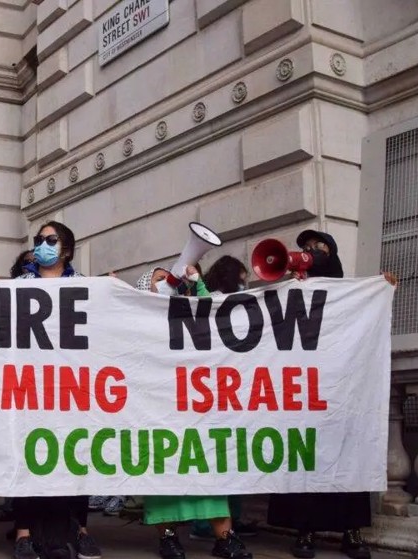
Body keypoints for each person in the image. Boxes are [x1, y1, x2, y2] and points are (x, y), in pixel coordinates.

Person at [137, 265, 253, 559]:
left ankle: (225, 537)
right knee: (163, 473)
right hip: (159, 408)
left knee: (210, 469)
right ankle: (167, 537)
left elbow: (213, 312)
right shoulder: (138, 318)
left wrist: (197, 284)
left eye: (171, 279)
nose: (168, 283)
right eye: (160, 279)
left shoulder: (192, 308)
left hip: (198, 408)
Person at [268, 229, 370, 559]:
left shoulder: (349, 294)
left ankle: (351, 531)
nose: (311, 251)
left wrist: (382, 288)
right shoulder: (293, 292)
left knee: (348, 459)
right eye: (307, 248)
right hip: (305, 393)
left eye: (318, 247)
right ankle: (305, 531)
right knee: (305, 461)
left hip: (341, 390)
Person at [12, 221, 102, 559]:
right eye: (38, 240)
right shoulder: (20, 285)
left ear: (65, 248)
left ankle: (80, 530)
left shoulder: (85, 286)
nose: (42, 245)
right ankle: (23, 534)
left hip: (71, 388)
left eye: (50, 240)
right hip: (29, 387)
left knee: (75, 458)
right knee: (27, 459)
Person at [189, 255, 258, 541]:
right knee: (218, 464)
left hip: (228, 396)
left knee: (232, 462)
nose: (245, 282)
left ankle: (228, 522)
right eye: (242, 277)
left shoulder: (235, 301)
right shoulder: (215, 300)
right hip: (214, 397)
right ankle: (207, 525)